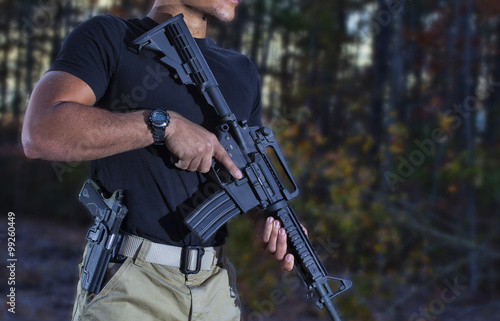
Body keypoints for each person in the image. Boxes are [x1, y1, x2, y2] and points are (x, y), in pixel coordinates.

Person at [22, 0, 301, 320]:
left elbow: (243, 170)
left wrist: (270, 217)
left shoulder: (241, 70)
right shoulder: (112, 37)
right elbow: (41, 131)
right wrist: (163, 126)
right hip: (132, 287)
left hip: (216, 289)